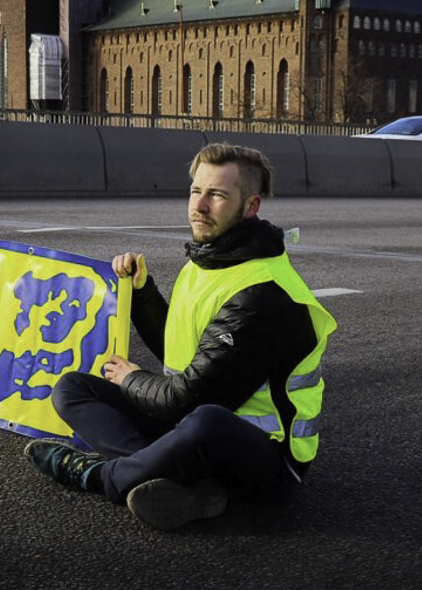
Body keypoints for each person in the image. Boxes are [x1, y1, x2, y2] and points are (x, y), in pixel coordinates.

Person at [23, 143, 337, 530]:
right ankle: (168, 480)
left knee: (207, 421)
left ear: (251, 206)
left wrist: (131, 378)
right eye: (195, 191)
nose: (199, 206)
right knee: (73, 389)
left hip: (266, 459)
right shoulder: (208, 259)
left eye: (217, 195)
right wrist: (142, 294)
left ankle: (103, 476)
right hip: (187, 425)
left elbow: (188, 397)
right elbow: (182, 353)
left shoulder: (264, 292)